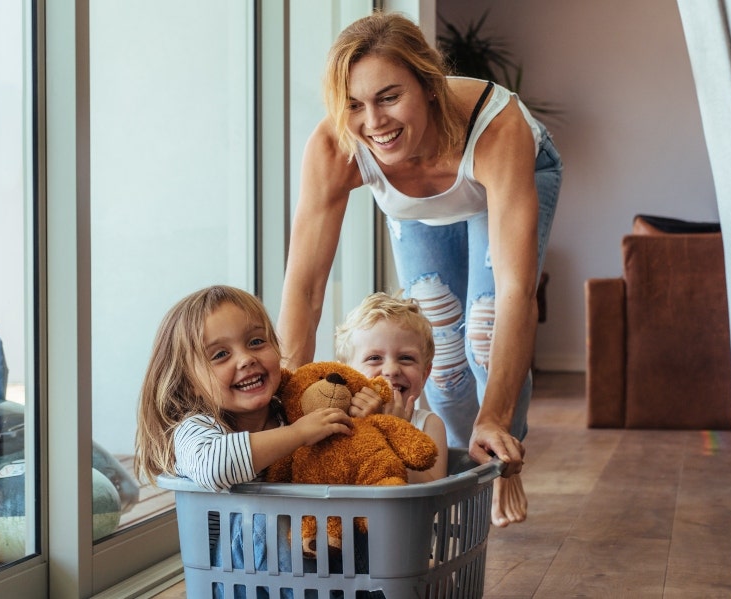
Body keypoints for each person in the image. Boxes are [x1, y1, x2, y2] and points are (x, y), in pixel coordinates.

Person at [277, 11, 564, 527]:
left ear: (429, 85)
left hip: (506, 175)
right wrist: (286, 405)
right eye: (354, 105)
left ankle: (501, 455)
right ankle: (456, 471)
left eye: (389, 97)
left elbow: (517, 290)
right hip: (422, 208)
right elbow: (305, 287)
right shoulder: (336, 145)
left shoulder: (498, 126)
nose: (374, 122)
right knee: (444, 358)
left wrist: (496, 416)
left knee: (483, 326)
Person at [135, 284, 354, 492]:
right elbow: (213, 468)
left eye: (256, 341)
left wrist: (363, 411)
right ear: (189, 385)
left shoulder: (289, 412)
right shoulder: (196, 429)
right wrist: (297, 434)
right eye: (220, 354)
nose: (246, 359)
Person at [334, 291, 449, 483]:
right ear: (347, 372)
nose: (391, 370)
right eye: (374, 358)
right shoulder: (337, 419)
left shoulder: (429, 425)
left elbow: (432, 491)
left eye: (406, 358)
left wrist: (394, 431)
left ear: (425, 374)